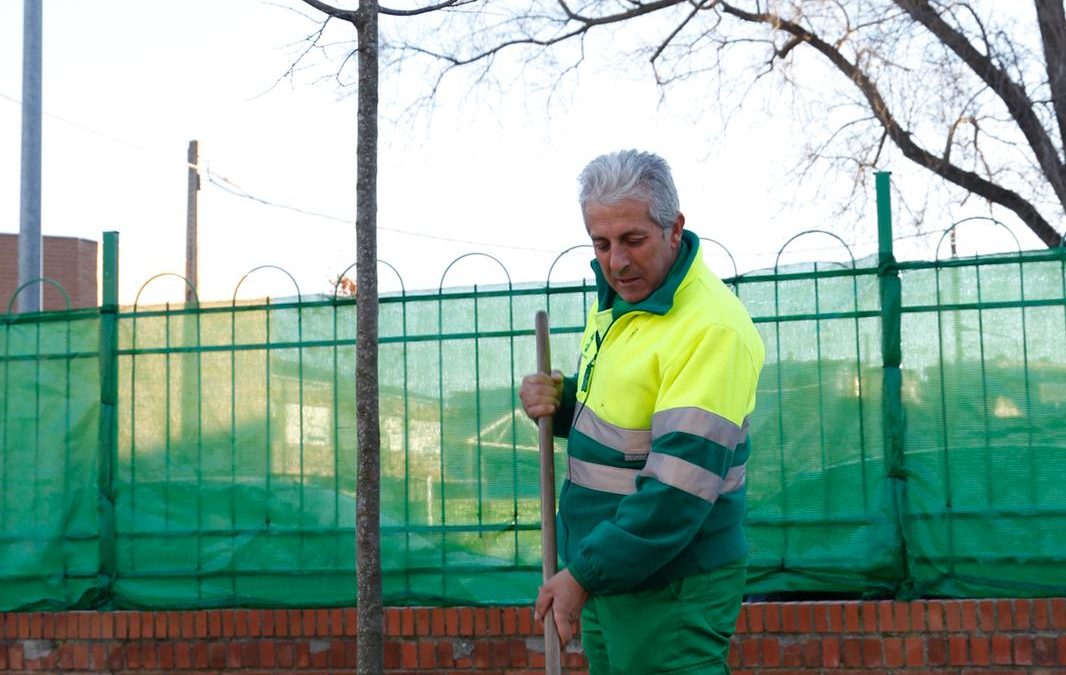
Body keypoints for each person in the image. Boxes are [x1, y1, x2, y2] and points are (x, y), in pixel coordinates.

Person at [520, 150, 765, 674]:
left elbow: (678, 488)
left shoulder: (710, 329)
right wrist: (559, 406)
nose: (616, 262)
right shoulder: (620, 301)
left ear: (674, 229)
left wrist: (583, 574)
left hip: (672, 583)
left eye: (633, 240)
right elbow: (624, 417)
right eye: (601, 243)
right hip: (616, 569)